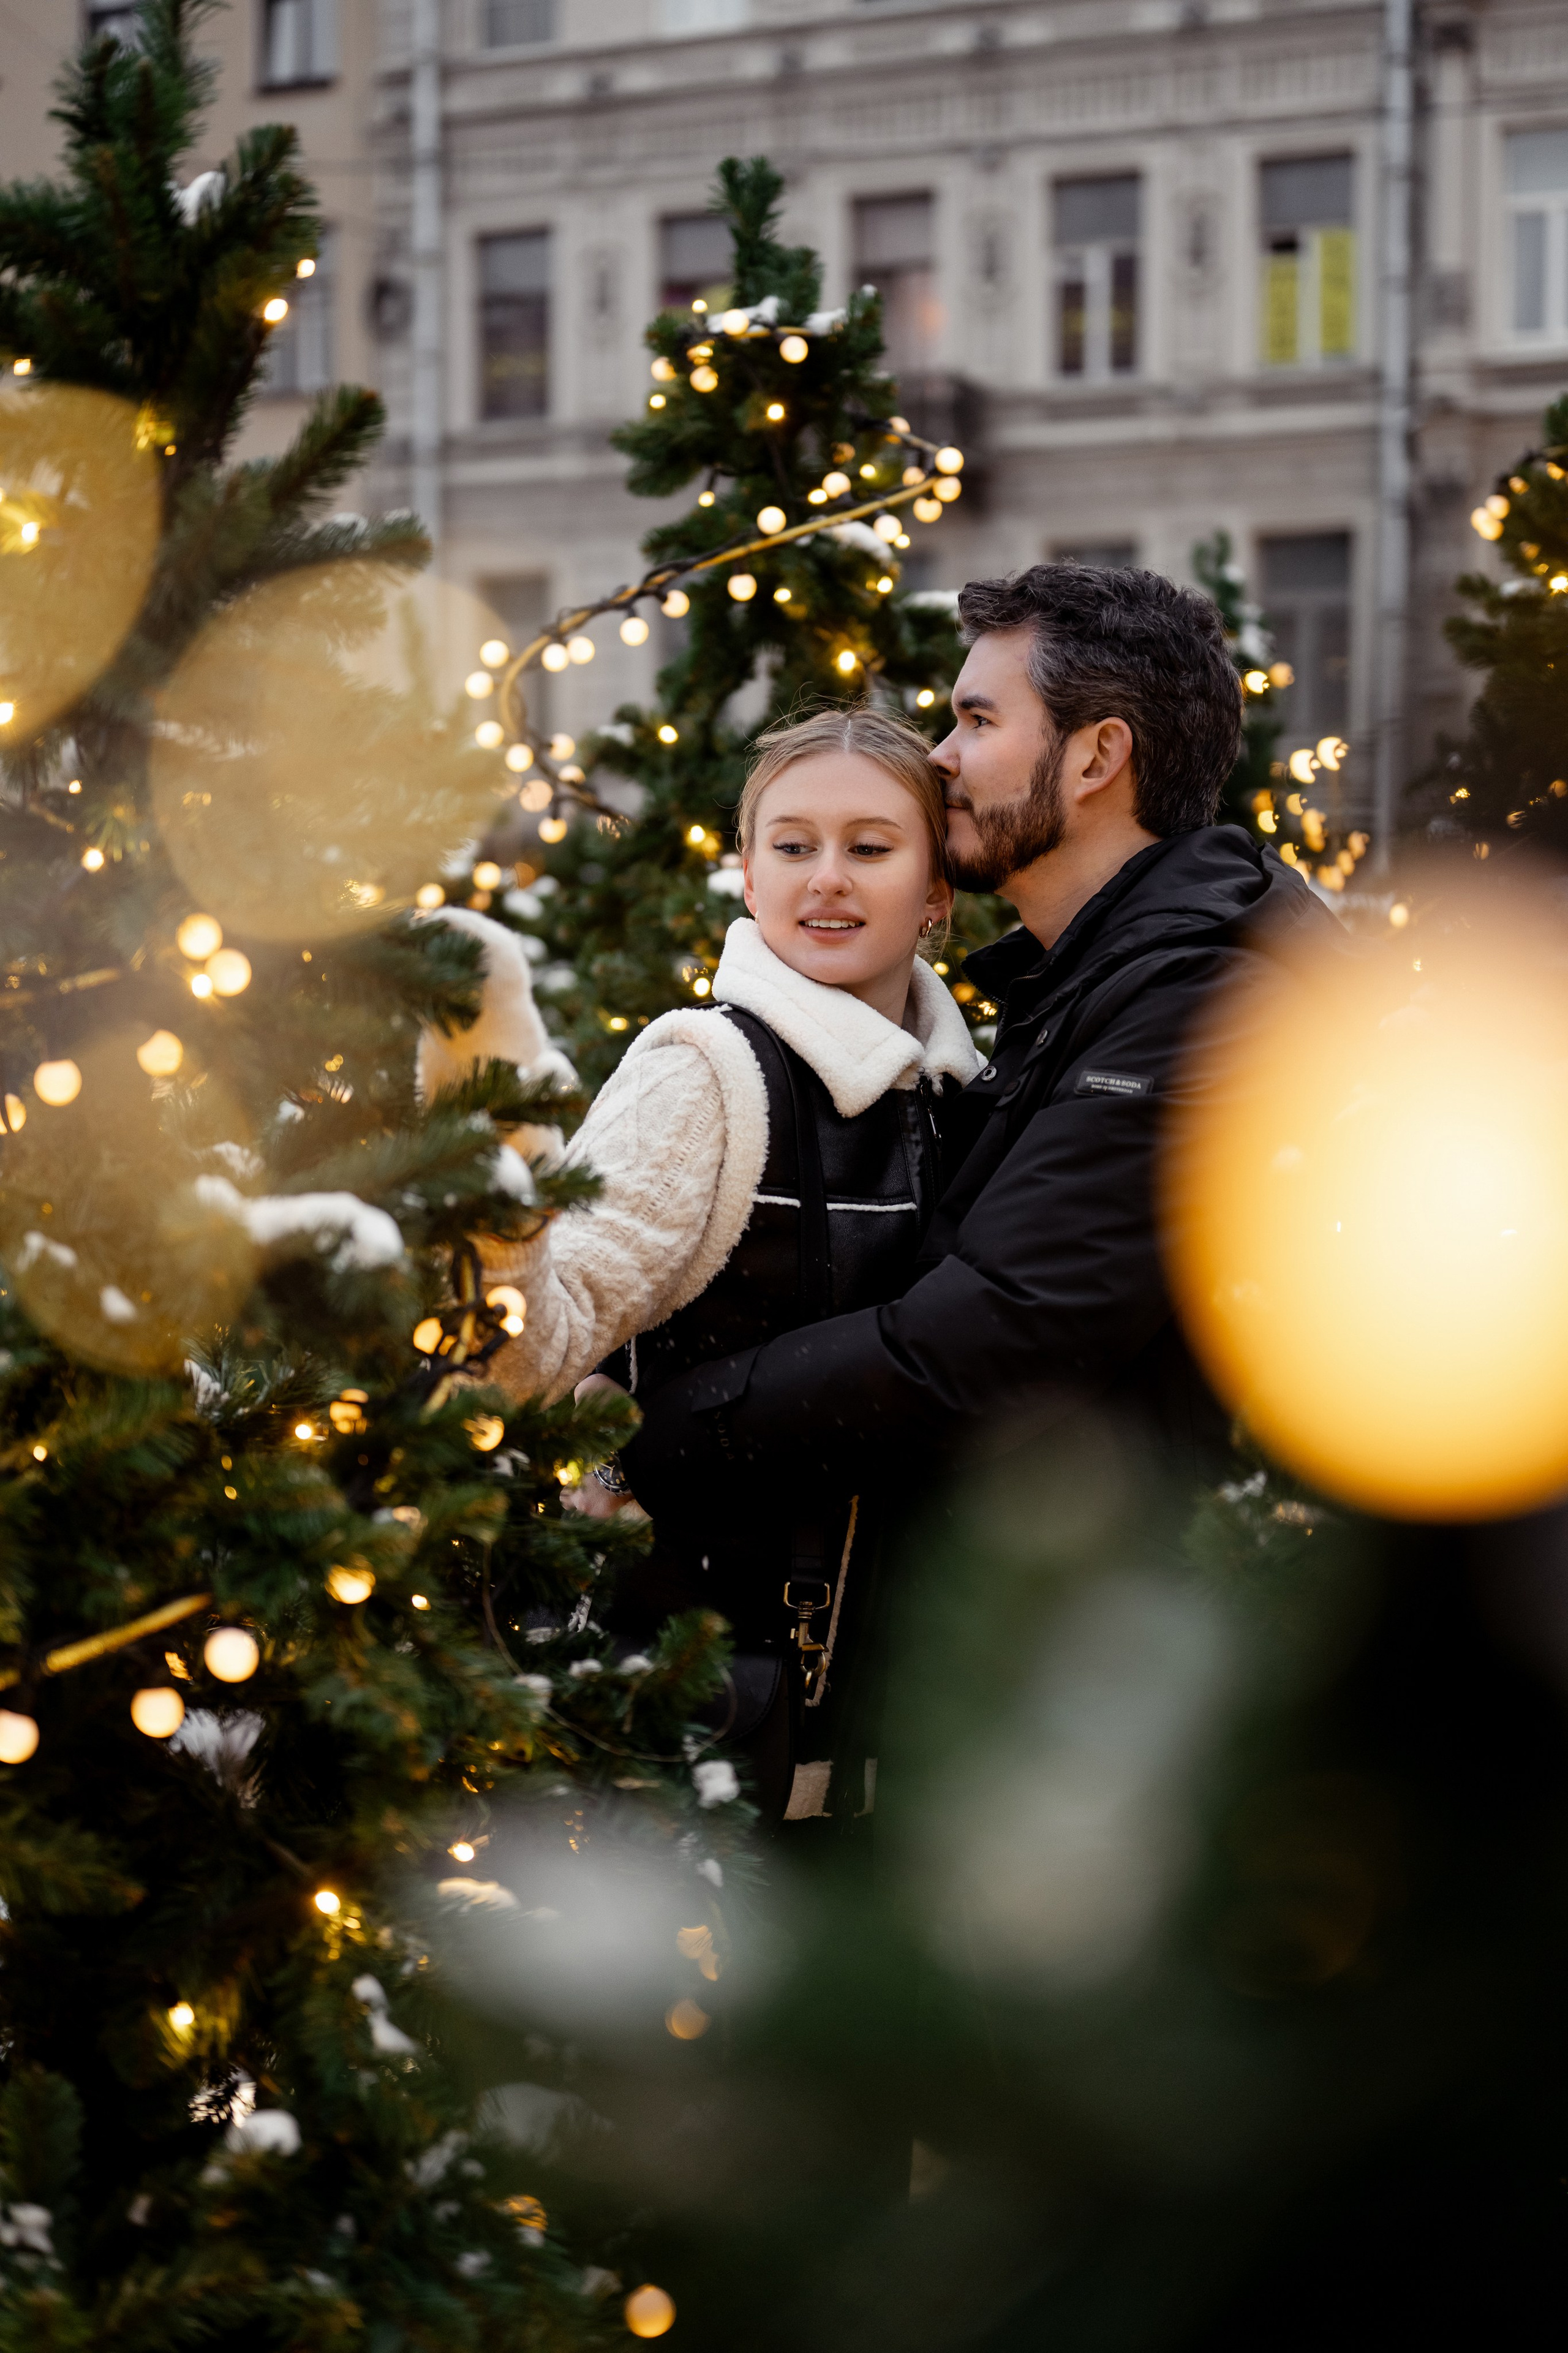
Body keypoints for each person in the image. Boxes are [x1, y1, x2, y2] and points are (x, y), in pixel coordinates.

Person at [619, 562, 1341, 1522]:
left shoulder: (1207, 999)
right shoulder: (1083, 981)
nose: (943, 757)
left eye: (979, 720)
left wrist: (653, 1435)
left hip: (1091, 1617)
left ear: (1096, 759)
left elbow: (990, 1337)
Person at [483, 707, 980, 1819]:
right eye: (792, 845)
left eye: (870, 845)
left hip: (893, 1712)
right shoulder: (705, 1075)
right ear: (747, 878)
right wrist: (498, 1207)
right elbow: (541, 1346)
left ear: (938, 889)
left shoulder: (959, 1096)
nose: (826, 881)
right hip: (692, 1706)